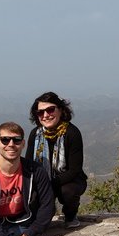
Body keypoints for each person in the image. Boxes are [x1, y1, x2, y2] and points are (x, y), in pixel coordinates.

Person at [26, 91, 88, 228]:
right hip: (43, 181)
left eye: (50, 110)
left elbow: (74, 170)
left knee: (68, 192)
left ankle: (70, 216)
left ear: (61, 110)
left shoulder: (72, 133)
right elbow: (28, 164)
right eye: (40, 112)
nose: (46, 115)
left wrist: (49, 184)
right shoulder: (35, 134)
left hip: (70, 180)